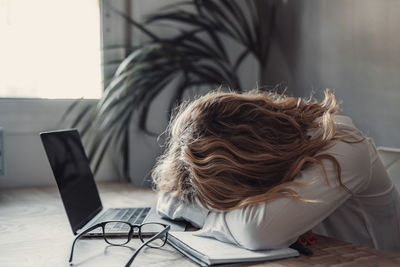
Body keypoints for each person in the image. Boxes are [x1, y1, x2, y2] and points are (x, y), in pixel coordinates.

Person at [152, 89, 400, 253]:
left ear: (255, 163)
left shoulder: (345, 146)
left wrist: (207, 217)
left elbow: (257, 232)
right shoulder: (275, 143)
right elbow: (168, 193)